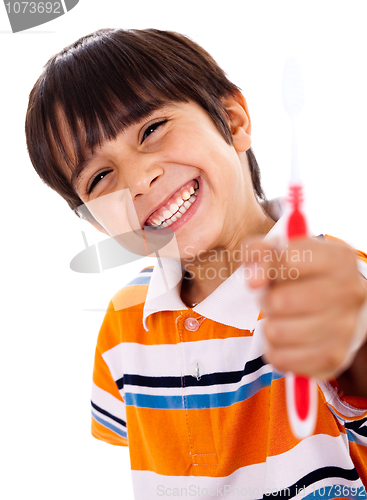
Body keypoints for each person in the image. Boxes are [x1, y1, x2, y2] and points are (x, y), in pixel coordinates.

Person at [25, 28, 367, 499]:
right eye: (100, 176)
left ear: (232, 120)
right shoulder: (122, 325)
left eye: (151, 129)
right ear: (97, 223)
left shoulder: (338, 283)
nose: (140, 178)